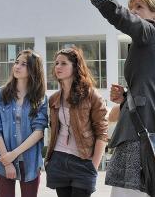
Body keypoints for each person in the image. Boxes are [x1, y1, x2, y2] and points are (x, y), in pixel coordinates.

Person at [53, 0, 155, 197]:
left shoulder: (151, 32)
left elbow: (115, 12)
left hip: (144, 137)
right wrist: (126, 98)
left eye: (139, 8)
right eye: (132, 8)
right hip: (151, 134)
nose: (133, 13)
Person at [44, 47, 108, 197]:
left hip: (83, 161)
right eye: (56, 63)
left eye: (63, 63)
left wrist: (94, 166)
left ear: (75, 66)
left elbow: (102, 133)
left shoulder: (92, 96)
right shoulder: (54, 99)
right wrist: (49, 161)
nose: (58, 67)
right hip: (59, 159)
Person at [0, 50, 48, 197]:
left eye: (23, 64)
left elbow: (39, 131)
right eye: (16, 62)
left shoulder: (40, 98)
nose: (17, 66)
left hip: (30, 162)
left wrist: (13, 155)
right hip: (3, 160)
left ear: (33, 69)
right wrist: (7, 162)